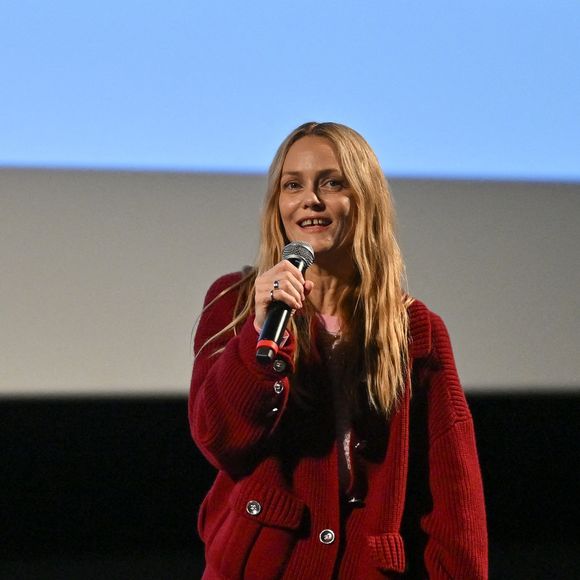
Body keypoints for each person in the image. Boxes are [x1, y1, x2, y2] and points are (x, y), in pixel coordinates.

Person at [189, 122, 488, 579]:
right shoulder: (235, 303)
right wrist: (256, 335)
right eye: (293, 185)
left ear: (363, 198)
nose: (311, 199)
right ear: (278, 205)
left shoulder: (414, 329)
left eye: (331, 182)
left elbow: (453, 499)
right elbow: (219, 439)